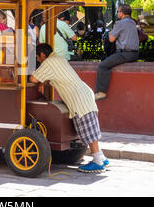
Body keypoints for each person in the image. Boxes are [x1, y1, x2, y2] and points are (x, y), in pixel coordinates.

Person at [29, 43, 109, 173]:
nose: (38, 61)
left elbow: (33, 78)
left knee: (88, 133)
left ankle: (98, 162)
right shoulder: (58, 58)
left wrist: (39, 81)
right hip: (84, 94)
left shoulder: (48, 62)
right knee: (92, 130)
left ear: (42, 55)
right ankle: (100, 157)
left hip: (78, 99)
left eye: (38, 58)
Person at [94, 4, 139, 101]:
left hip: (125, 54)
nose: (117, 13)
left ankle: (101, 92)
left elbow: (111, 39)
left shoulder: (120, 23)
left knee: (103, 66)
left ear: (122, 13)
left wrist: (111, 31)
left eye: (118, 11)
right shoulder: (132, 22)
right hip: (135, 54)